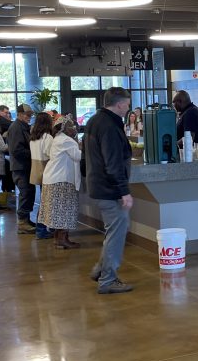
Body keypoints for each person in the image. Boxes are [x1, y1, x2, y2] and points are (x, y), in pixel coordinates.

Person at [85, 87, 134, 294]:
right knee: (117, 232)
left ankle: (100, 270)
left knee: (113, 230)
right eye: (128, 104)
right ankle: (107, 280)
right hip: (110, 189)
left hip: (99, 185)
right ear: (120, 104)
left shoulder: (95, 121)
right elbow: (112, 163)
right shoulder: (110, 127)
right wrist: (124, 191)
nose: (129, 108)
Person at [40, 114, 83, 250]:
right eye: (71, 126)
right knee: (65, 209)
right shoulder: (66, 140)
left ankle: (58, 239)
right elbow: (78, 156)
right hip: (61, 180)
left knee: (58, 211)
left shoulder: (58, 138)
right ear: (64, 128)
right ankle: (63, 240)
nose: (74, 128)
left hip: (53, 178)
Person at [8, 104, 36, 234]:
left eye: (30, 115)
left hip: (25, 166)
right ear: (19, 114)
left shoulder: (23, 127)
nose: (29, 117)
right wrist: (34, 153)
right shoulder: (16, 128)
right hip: (20, 167)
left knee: (29, 192)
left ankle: (26, 220)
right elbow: (16, 150)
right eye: (27, 115)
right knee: (25, 193)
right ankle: (22, 222)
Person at [29, 112, 54, 240]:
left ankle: (43, 228)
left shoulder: (34, 137)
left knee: (43, 201)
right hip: (46, 171)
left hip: (35, 170)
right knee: (46, 202)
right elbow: (51, 154)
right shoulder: (47, 138)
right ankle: (42, 229)